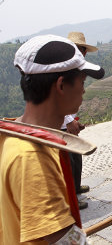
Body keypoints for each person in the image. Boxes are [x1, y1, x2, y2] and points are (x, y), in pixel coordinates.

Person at [0, 35, 104, 244]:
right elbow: (62, 239)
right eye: (82, 82)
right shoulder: (32, 157)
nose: (83, 90)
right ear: (61, 86)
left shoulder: (14, 135)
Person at [63, 31, 99, 210]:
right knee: (67, 162)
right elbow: (60, 98)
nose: (82, 53)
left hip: (67, 122)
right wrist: (69, 121)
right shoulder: (63, 69)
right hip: (61, 125)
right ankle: (70, 199)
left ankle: (75, 188)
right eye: (80, 49)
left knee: (76, 158)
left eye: (83, 50)